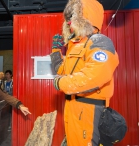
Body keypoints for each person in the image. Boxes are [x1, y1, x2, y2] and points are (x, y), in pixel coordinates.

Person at [50, 0, 119, 145]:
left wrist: (61, 83)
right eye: (67, 19)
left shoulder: (100, 42)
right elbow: (62, 71)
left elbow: (94, 76)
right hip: (72, 108)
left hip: (89, 110)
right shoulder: (74, 45)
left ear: (84, 19)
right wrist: (56, 52)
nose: (68, 23)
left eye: (73, 17)